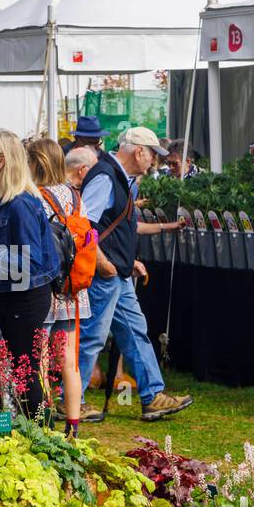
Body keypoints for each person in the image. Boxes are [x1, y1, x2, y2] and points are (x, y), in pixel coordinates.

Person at [76, 126, 192, 422]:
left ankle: (152, 395)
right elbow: (83, 226)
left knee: (134, 331)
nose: (155, 162)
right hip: (107, 272)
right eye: (153, 154)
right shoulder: (105, 176)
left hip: (118, 271)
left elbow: (114, 226)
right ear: (138, 151)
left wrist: (128, 261)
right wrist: (103, 263)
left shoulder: (120, 178)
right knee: (93, 337)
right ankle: (71, 399)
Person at [0, 129, 60, 418]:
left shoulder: (21, 204)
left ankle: (40, 438)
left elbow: (29, 261)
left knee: (24, 369)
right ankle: (0, 430)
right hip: (7, 295)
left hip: (25, 297)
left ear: (2, 160)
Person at [28, 137, 92, 437]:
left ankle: (43, 421)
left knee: (40, 358)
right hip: (73, 287)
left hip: (45, 287)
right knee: (69, 361)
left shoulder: (33, 197)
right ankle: (73, 427)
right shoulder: (75, 195)